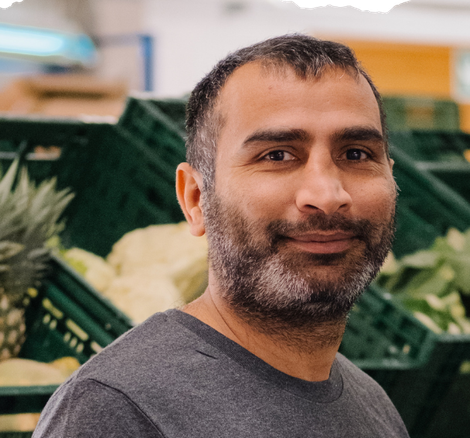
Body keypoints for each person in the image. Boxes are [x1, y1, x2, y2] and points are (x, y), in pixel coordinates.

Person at [33, 34, 409, 437]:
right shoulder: (114, 410)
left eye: (356, 154)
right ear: (196, 199)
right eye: (277, 155)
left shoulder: (373, 407)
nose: (327, 195)